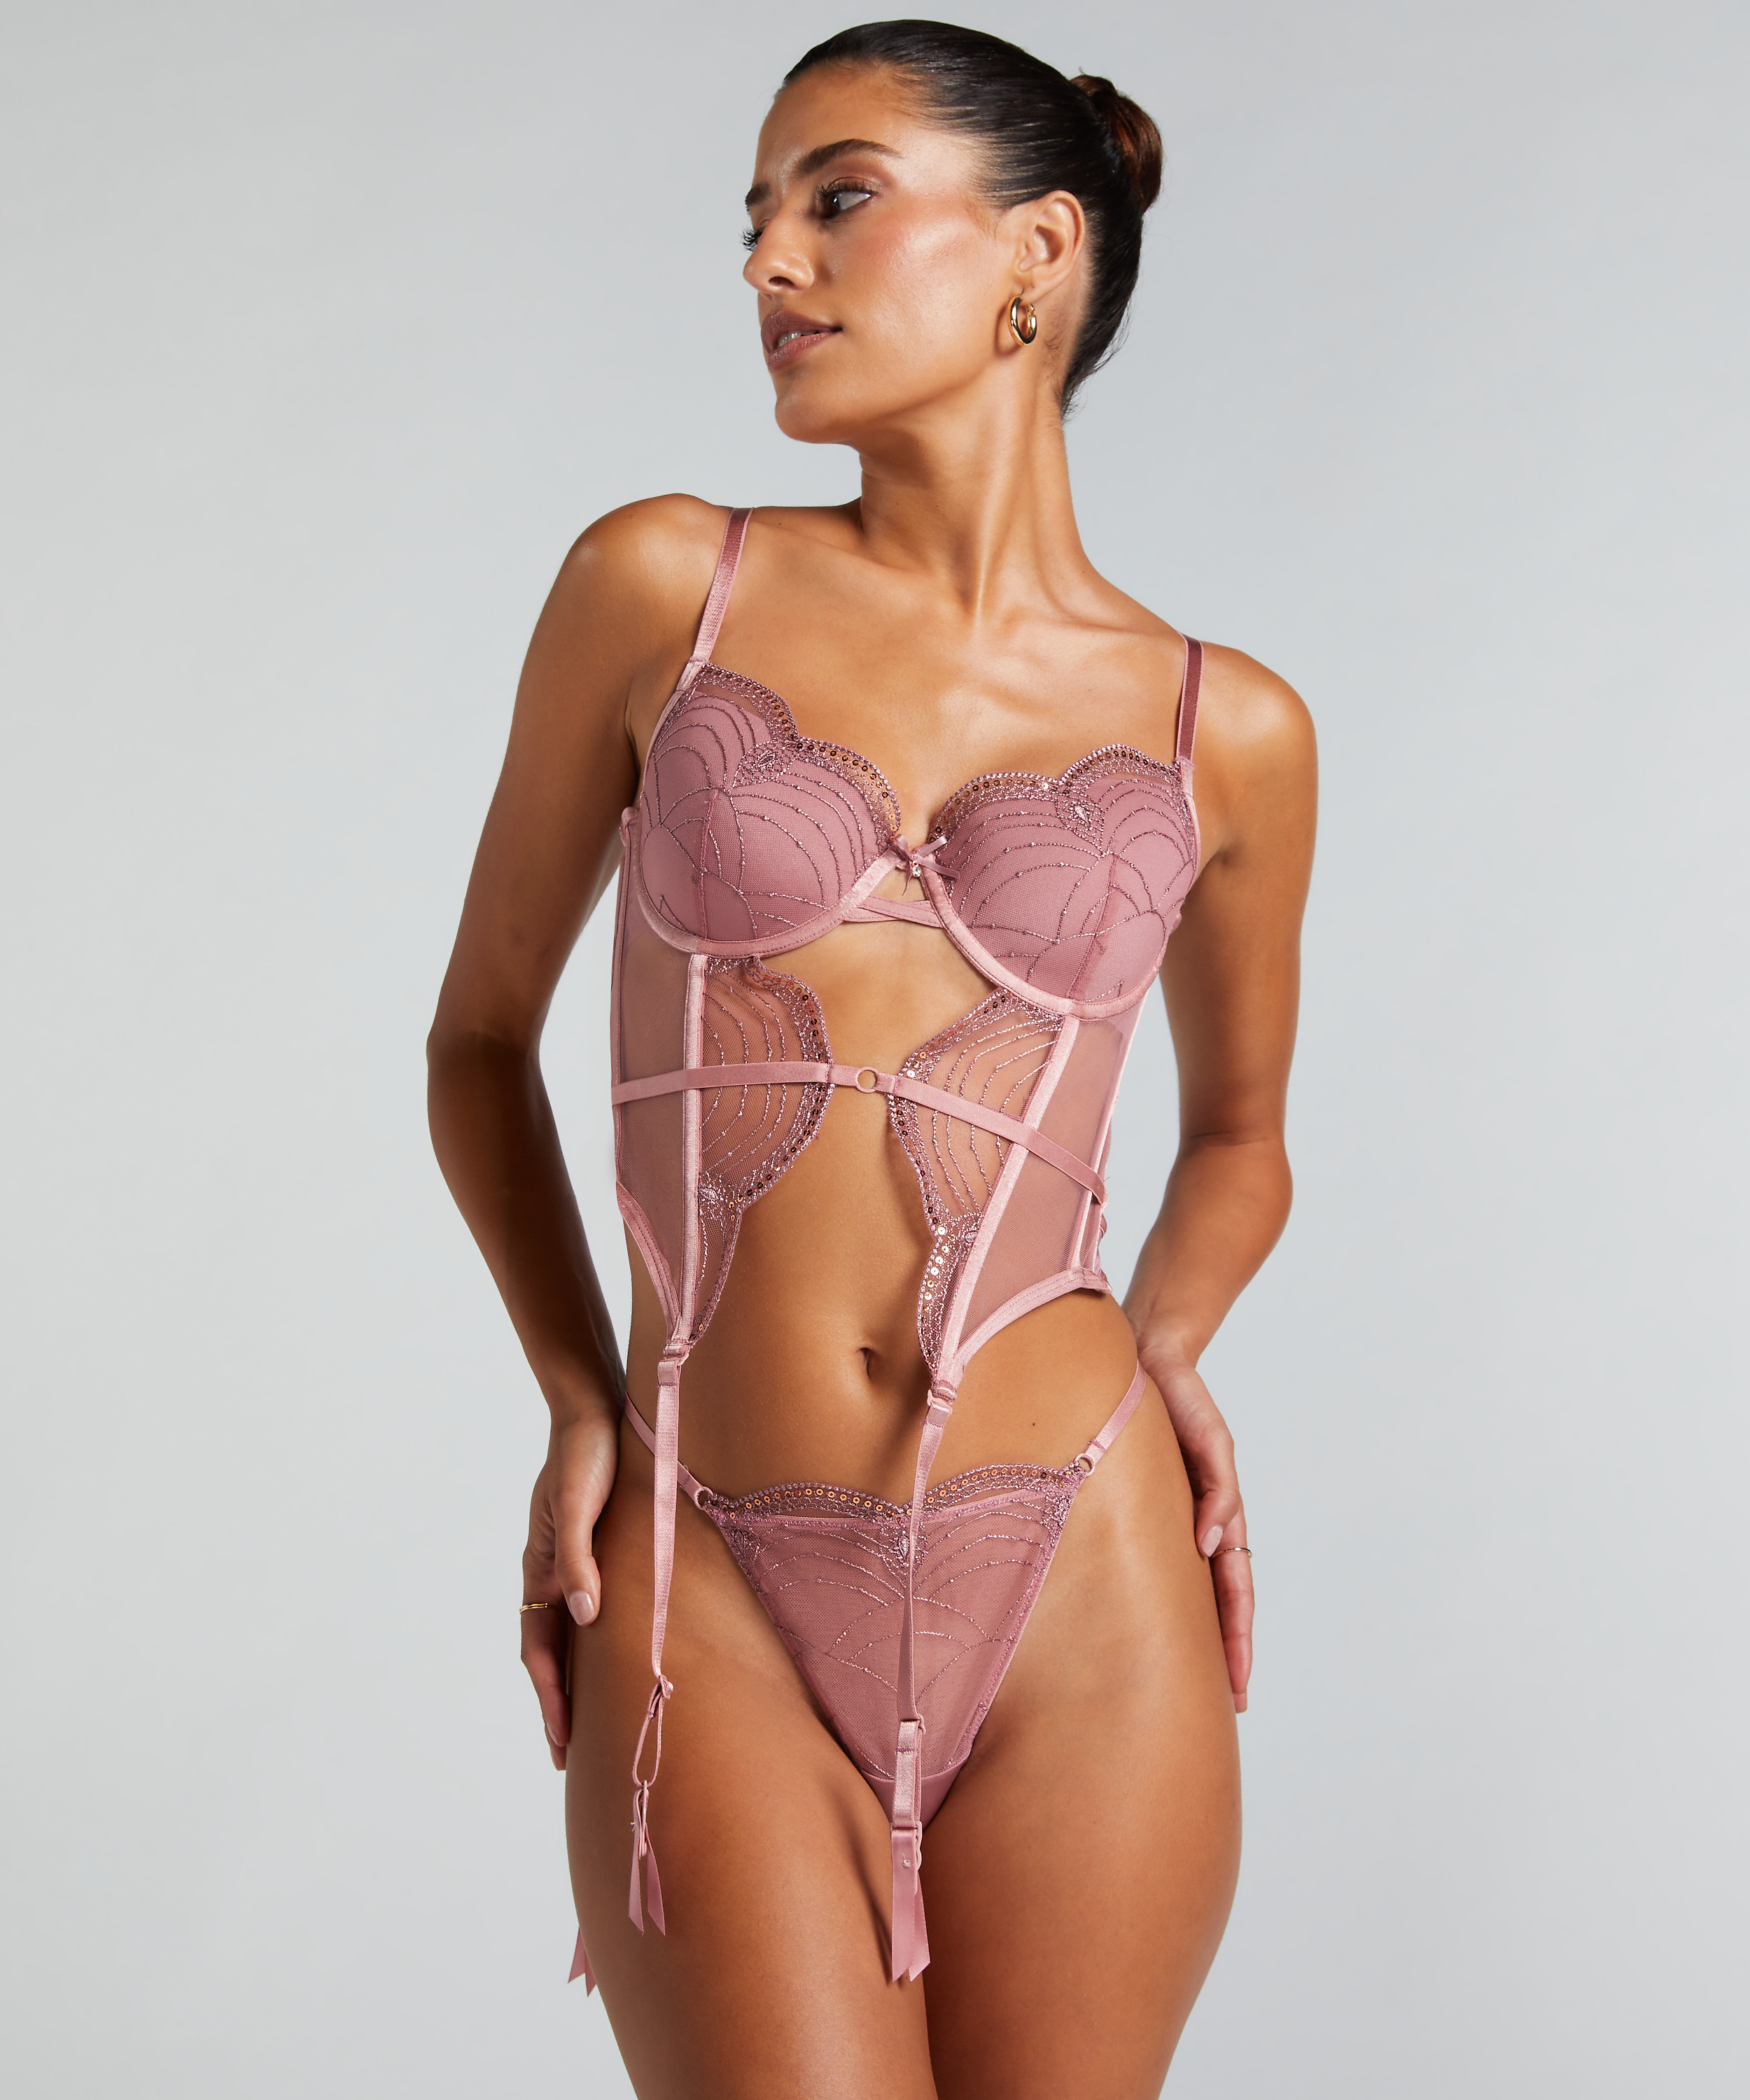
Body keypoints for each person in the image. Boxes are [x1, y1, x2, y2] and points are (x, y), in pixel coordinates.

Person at [428, 20, 1315, 2096]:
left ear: (1037, 254)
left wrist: (1170, 1345)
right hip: (711, 1552)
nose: (769, 261)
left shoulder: (1230, 728)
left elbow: (1244, 1138)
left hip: (1082, 1561)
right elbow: (478, 1040)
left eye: (838, 199)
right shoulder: (666, 586)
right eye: (755, 217)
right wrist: (575, 1391)